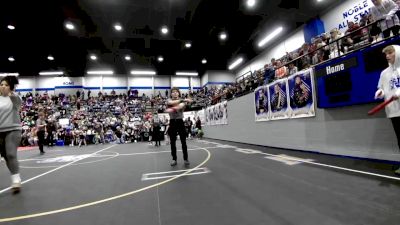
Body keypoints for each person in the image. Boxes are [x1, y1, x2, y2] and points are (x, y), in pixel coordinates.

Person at [374, 45, 400, 175]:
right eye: (386, 54)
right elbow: (383, 88)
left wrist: (399, 92)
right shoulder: (384, 73)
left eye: (390, 53)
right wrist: (380, 92)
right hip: (394, 111)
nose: (387, 56)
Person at [0, 76, 23, 193]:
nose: (3, 86)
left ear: (11, 87)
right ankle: (15, 175)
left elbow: (18, 103)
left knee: (10, 154)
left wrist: (11, 93)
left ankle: (16, 180)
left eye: (6, 85)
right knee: (4, 155)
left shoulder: (14, 98)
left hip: (13, 129)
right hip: (0, 131)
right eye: (1, 84)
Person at [165, 87, 192, 166]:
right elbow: (171, 103)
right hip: (172, 122)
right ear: (171, 94)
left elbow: (179, 107)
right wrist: (184, 100)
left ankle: (186, 159)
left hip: (180, 122)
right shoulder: (169, 100)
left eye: (176, 92)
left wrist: (172, 109)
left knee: (183, 142)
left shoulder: (182, 102)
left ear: (178, 93)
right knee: (172, 142)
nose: (175, 93)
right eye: (173, 92)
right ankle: (174, 159)